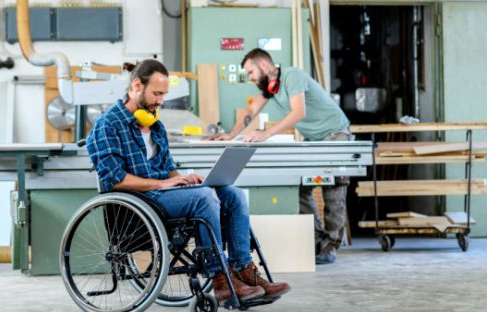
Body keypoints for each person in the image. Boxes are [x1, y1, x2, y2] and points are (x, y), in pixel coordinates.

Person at [86, 59, 290, 304]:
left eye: (164, 95)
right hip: (138, 201)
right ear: (137, 85)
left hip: (164, 195)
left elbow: (167, 167)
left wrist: (181, 179)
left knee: (232, 194)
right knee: (204, 198)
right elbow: (115, 180)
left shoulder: (155, 125)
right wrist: (161, 184)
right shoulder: (107, 125)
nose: (161, 101)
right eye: (157, 94)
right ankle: (220, 279)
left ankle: (243, 269)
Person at [208, 48, 352, 265]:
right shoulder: (270, 88)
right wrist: (230, 134)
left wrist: (265, 134)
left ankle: (330, 247)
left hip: (335, 134)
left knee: (333, 191)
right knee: (301, 189)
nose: (250, 78)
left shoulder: (292, 76)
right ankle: (316, 239)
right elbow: (251, 110)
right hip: (315, 140)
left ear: (264, 66)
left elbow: (298, 112)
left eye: (250, 72)